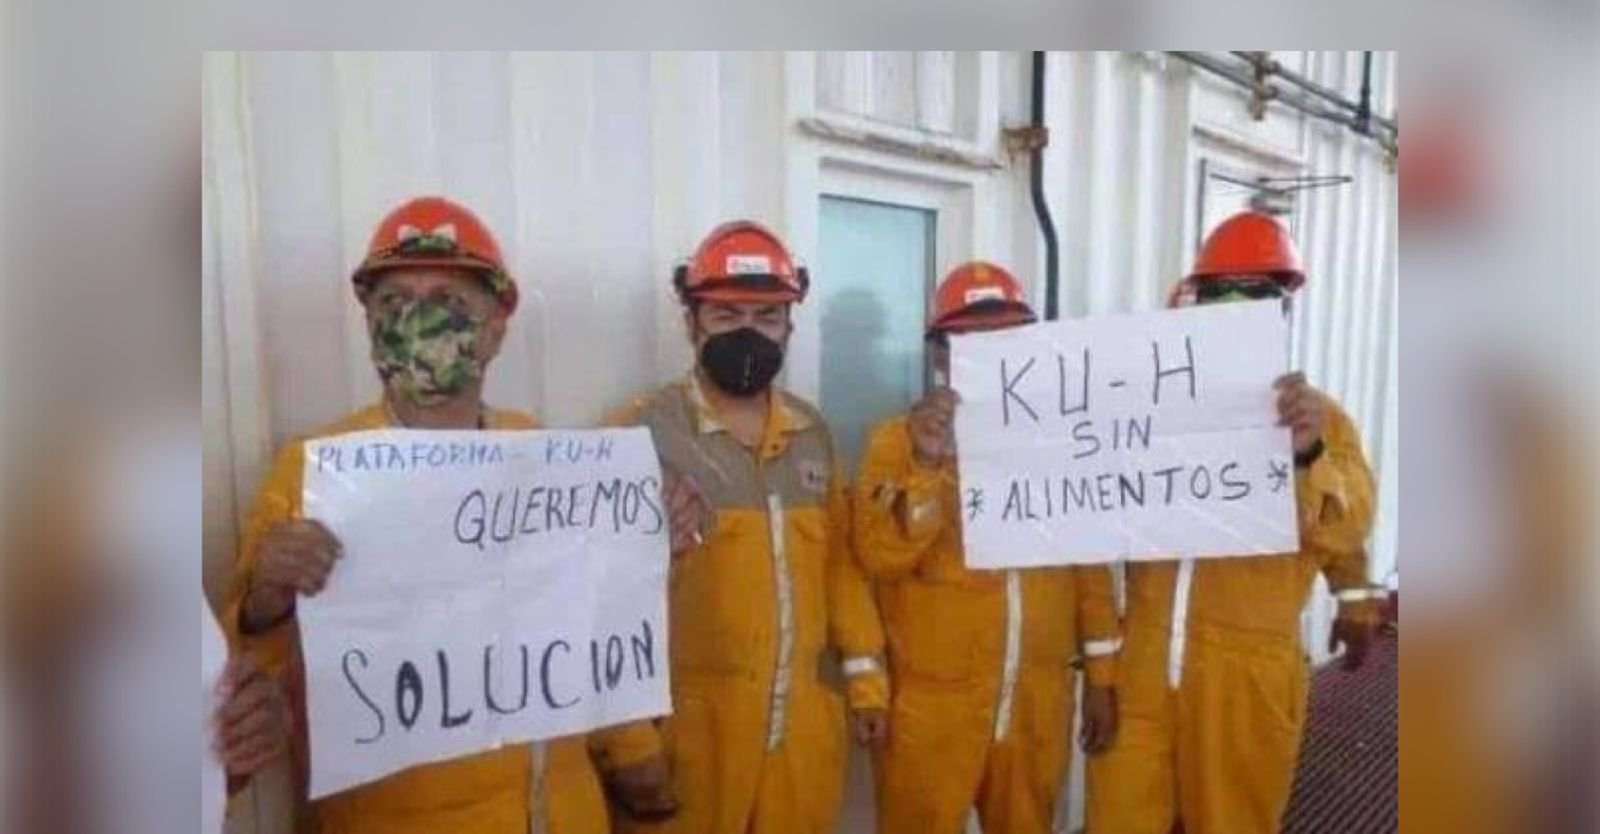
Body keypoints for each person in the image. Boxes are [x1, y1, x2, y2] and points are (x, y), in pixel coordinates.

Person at [223, 196, 610, 834]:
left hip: (559, 809)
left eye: (449, 300)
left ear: (496, 328)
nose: (419, 320)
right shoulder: (315, 470)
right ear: (370, 324)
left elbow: (594, 624)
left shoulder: (542, 452)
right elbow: (242, 678)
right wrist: (267, 597)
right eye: (395, 301)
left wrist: (651, 547)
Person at [1086, 211, 1384, 834]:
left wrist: (1353, 595)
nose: (1235, 313)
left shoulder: (1318, 420)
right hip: (1143, 663)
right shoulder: (1145, 410)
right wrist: (1101, 670)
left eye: (1256, 298)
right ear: (1192, 306)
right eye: (1220, 296)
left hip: (1246, 674)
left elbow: (1348, 524)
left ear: (1282, 312)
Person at [589, 221, 890, 834]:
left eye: (767, 316)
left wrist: (866, 679)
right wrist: (626, 744)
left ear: (789, 326)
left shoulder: (811, 432)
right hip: (688, 735)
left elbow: (839, 568)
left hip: (802, 734)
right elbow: (599, 601)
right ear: (691, 322)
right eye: (726, 314)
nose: (749, 332)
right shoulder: (639, 433)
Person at [853, 261, 1122, 834]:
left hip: (1035, 703)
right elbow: (879, 556)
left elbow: (1091, 572)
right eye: (968, 344)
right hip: (929, 711)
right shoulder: (895, 444)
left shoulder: (1064, 445)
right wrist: (926, 464)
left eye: (1005, 341)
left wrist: (1101, 676)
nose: (989, 358)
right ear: (939, 356)